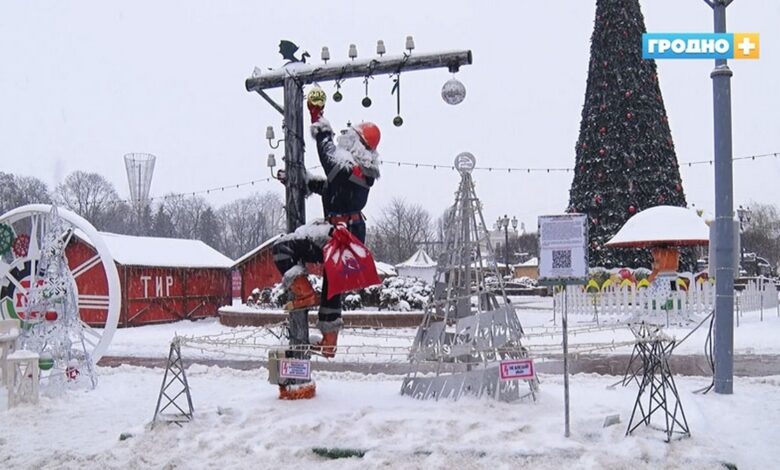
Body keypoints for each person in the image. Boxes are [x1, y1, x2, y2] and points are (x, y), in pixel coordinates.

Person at [272, 95, 380, 358]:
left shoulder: (349, 166)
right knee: (332, 286)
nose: (345, 135)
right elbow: (328, 189)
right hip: (347, 233)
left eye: (350, 134)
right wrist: (300, 181)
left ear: (358, 143)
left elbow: (328, 156)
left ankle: (303, 292)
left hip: (339, 234)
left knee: (282, 249)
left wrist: (318, 120)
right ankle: (329, 341)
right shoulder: (358, 171)